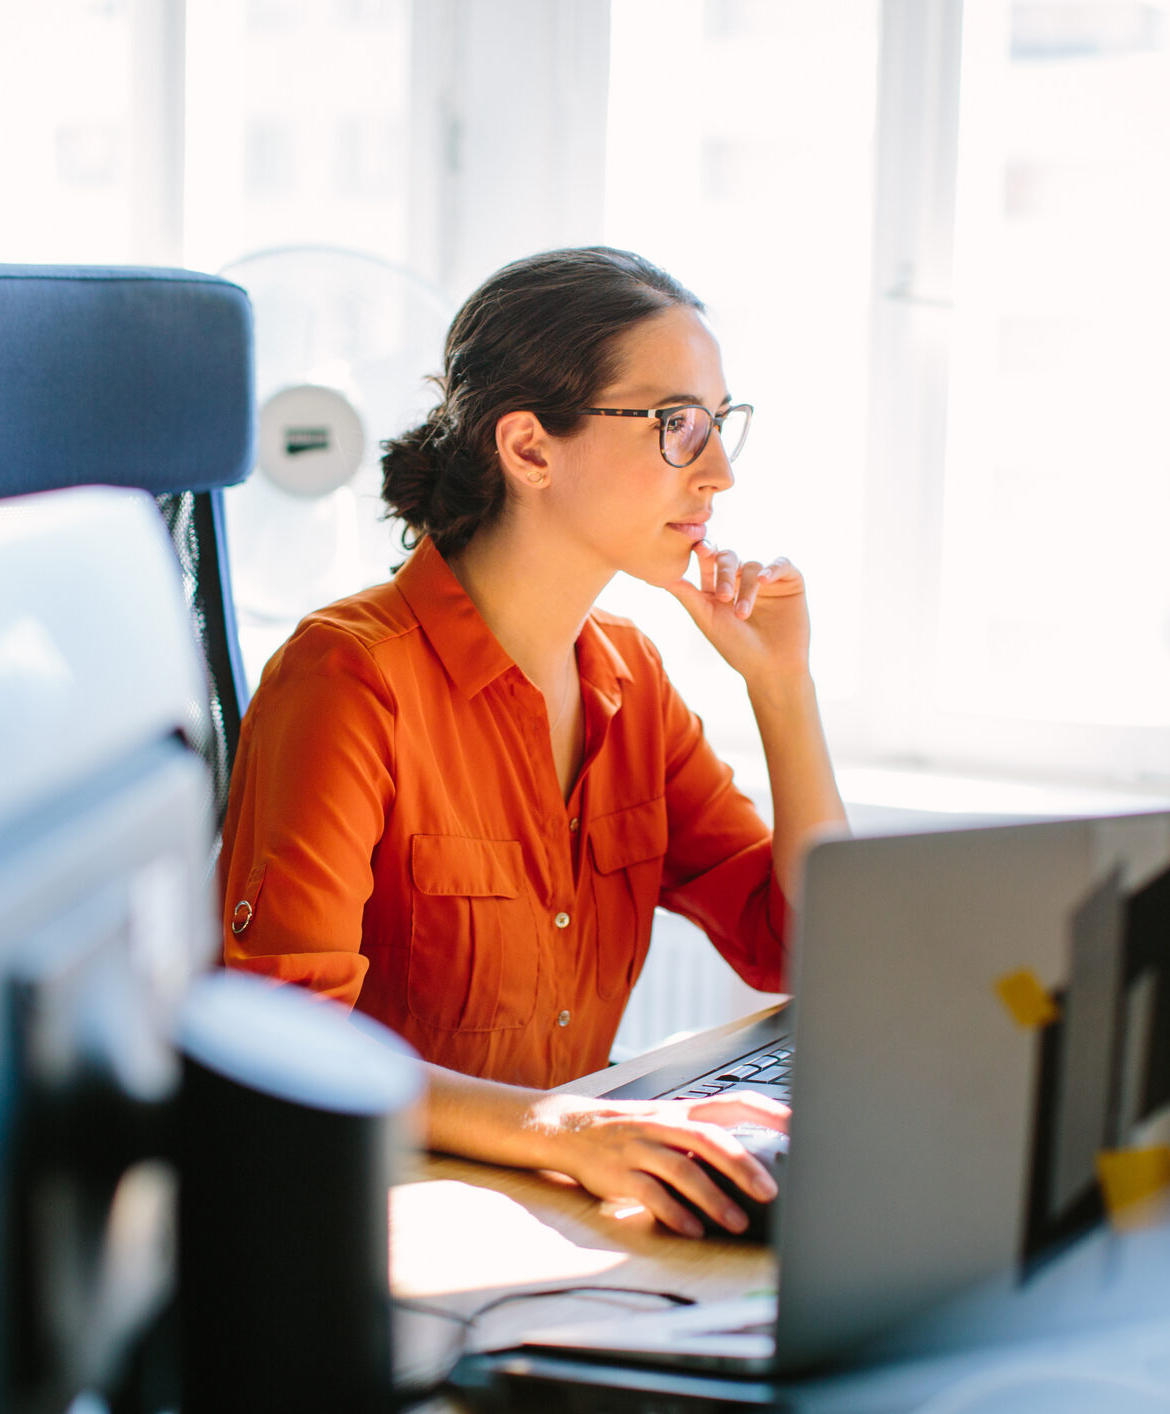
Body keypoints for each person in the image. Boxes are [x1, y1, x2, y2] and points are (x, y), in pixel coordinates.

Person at [218, 247, 847, 1238]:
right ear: (529, 449)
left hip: (549, 1204)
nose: (719, 473)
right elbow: (287, 1046)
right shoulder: (348, 680)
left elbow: (804, 948)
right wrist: (561, 1124)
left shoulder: (630, 678)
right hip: (371, 1221)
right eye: (677, 425)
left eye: (721, 425)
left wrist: (782, 687)